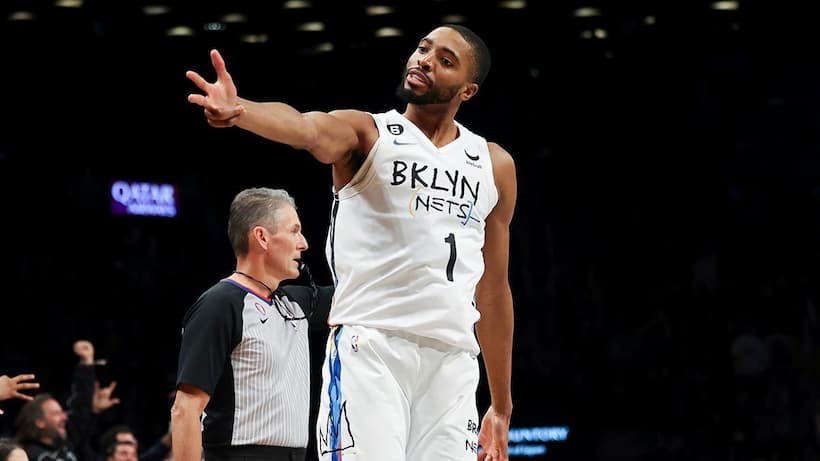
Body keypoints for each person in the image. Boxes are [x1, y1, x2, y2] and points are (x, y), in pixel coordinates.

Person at [186, 23, 516, 461]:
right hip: (372, 349)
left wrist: (501, 404)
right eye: (423, 49)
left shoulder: (493, 165)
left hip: (453, 361)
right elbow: (306, 129)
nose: (424, 61)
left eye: (445, 61)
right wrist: (241, 110)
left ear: (468, 91)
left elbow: (492, 291)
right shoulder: (370, 135)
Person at [171, 187, 332, 461]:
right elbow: (185, 409)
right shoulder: (219, 305)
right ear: (262, 237)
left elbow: (361, 293)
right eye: (294, 231)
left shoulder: (296, 303)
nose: (303, 243)